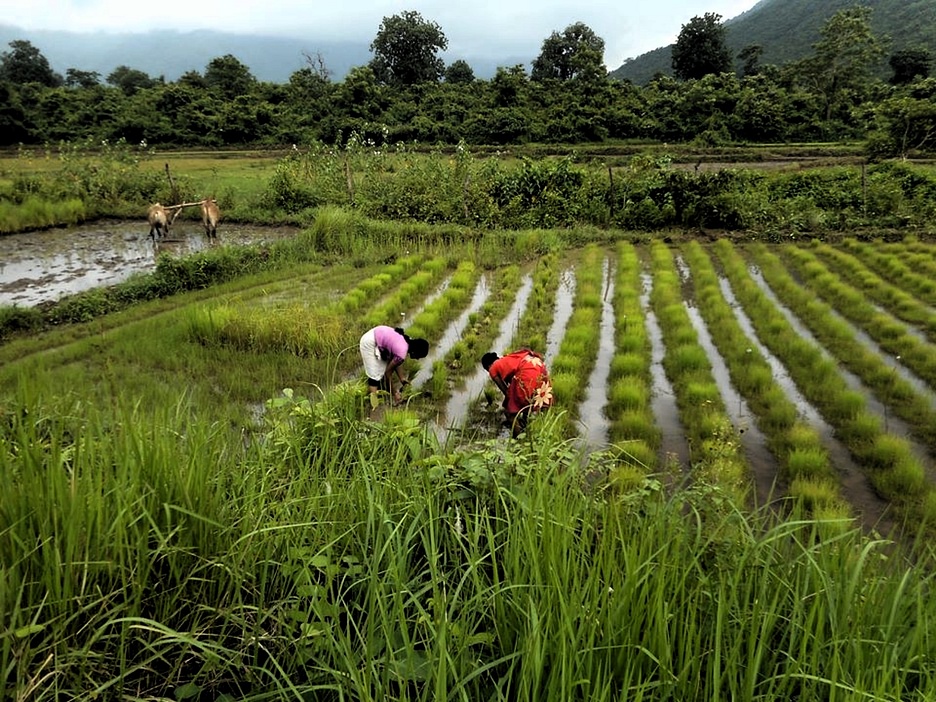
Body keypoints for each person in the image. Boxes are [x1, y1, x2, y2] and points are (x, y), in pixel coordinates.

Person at [481, 348, 553, 437]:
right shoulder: (508, 359)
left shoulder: (493, 368)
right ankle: (525, 424)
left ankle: (518, 440)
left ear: (487, 366)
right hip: (537, 364)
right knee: (526, 400)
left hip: (527, 372)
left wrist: (511, 408)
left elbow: (507, 392)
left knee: (510, 412)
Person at [359, 326, 429, 405]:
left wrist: (402, 378)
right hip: (369, 342)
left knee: (381, 369)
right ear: (416, 352)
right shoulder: (402, 351)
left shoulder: (408, 341)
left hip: (377, 334)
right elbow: (388, 374)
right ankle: (374, 403)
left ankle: (379, 391)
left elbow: (396, 361)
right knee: (375, 375)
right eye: (419, 356)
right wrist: (394, 393)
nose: (418, 359)